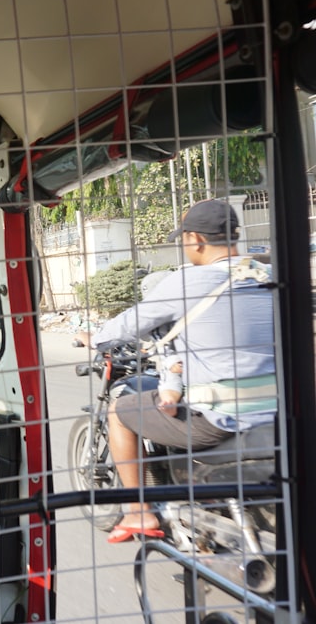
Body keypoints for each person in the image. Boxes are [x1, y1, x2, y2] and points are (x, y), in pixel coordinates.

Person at [76, 199, 276, 543]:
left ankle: (138, 513)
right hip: (277, 409)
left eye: (183, 238)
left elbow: (129, 324)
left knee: (119, 412)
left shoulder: (187, 282)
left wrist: (94, 338)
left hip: (220, 419)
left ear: (196, 240)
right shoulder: (265, 275)